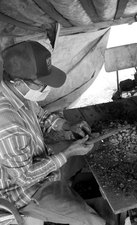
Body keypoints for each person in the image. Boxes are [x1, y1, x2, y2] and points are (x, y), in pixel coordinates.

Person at [0, 41, 106, 225]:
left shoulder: (15, 90)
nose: (46, 88)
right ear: (17, 81)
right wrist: (67, 153)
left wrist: (67, 126)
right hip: (22, 191)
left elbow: (40, 115)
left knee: (87, 152)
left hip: (37, 158)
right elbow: (25, 178)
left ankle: (70, 184)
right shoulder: (8, 124)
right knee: (95, 221)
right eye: (42, 83)